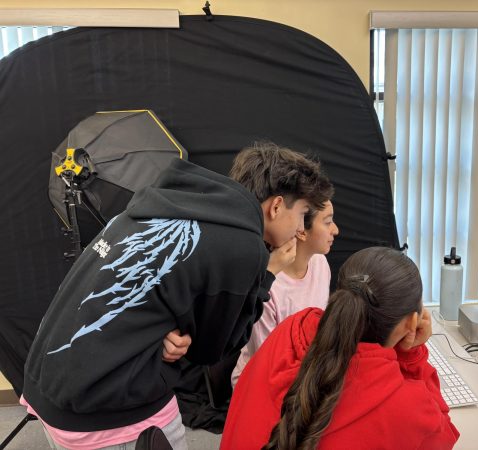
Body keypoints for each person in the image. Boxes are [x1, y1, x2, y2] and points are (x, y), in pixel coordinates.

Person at [21, 142, 333, 449]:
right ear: (276, 206)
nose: (299, 228)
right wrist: (267, 274)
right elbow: (212, 351)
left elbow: (147, 291)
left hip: (45, 384)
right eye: (302, 213)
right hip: (105, 408)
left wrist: (163, 330)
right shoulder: (242, 246)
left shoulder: (164, 204)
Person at [221, 246, 460, 450]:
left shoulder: (294, 328)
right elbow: (442, 436)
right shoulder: (406, 407)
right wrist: (412, 356)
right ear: (411, 323)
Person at [231, 200, 339, 388]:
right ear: (301, 231)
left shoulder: (320, 264)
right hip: (263, 382)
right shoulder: (267, 287)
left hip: (308, 373)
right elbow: (268, 362)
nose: (335, 230)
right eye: (328, 222)